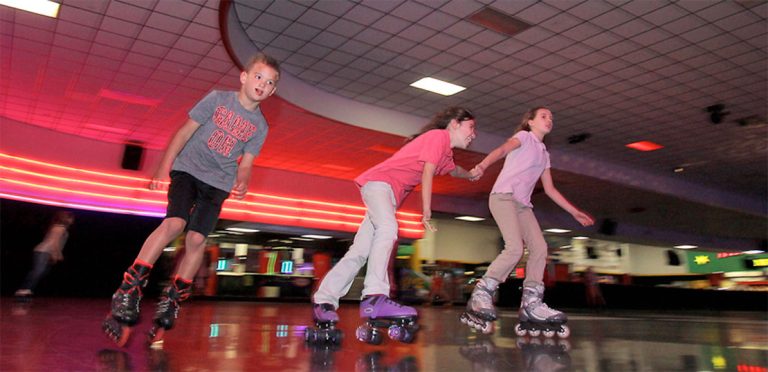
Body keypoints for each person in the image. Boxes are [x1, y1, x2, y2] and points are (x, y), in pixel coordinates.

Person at [102, 52, 280, 347]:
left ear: (272, 91)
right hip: (187, 170)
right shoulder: (217, 100)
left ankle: (172, 301)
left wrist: (244, 179)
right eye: (258, 77)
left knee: (197, 240)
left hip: (218, 183)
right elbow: (183, 133)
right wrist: (163, 166)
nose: (262, 84)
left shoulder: (260, 127)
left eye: (269, 82)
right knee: (174, 224)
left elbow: (246, 162)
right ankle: (129, 288)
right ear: (244, 77)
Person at [308, 107, 479, 343]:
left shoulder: (445, 152)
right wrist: (426, 209)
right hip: (380, 186)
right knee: (389, 230)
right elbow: (428, 170)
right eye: (471, 127)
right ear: (454, 123)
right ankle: (374, 297)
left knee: (359, 251)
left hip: (385, 193)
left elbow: (453, 170)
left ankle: (323, 300)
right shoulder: (438, 137)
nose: (474, 134)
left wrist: (470, 173)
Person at [462, 106, 595, 335]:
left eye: (552, 117)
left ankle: (531, 304)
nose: (549, 119)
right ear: (530, 122)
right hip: (503, 197)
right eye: (544, 116)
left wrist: (574, 211)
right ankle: (482, 293)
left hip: (522, 205)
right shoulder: (523, 137)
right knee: (515, 248)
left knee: (540, 248)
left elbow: (550, 189)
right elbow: (503, 149)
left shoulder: (544, 153)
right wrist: (483, 166)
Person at [15, 210, 75, 298]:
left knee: (42, 272)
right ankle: (23, 290)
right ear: (66, 219)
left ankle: (27, 289)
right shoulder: (59, 228)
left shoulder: (60, 228)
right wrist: (56, 255)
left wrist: (56, 254)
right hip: (43, 251)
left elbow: (57, 244)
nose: (73, 220)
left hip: (46, 252)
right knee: (38, 271)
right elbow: (54, 243)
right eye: (71, 218)